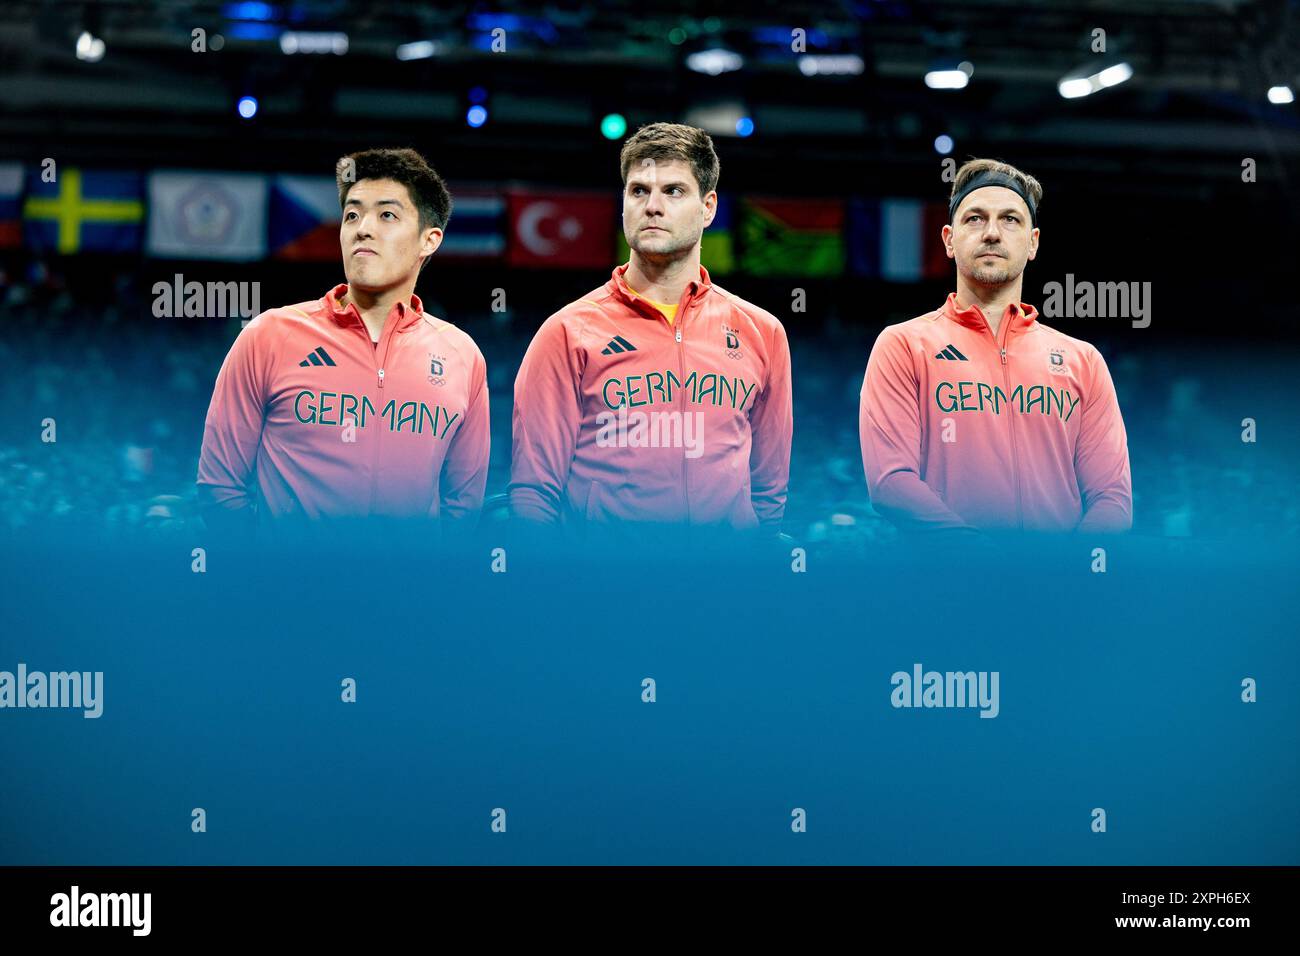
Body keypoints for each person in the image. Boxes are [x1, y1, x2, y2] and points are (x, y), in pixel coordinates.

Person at [509, 123, 793, 534]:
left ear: (708, 207)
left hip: (725, 582)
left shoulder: (762, 332)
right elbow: (534, 492)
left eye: (673, 191)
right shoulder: (567, 332)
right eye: (639, 190)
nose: (652, 206)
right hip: (609, 582)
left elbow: (769, 493)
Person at [196, 148, 489, 535]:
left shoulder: (463, 356)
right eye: (352, 214)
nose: (362, 228)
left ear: (429, 240)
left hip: (410, 593)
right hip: (289, 592)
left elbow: (463, 507)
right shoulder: (267, 336)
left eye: (387, 215)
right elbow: (220, 487)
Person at [859, 158, 1131, 534]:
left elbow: (1112, 498)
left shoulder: (1083, 361)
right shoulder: (903, 345)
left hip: (1057, 585)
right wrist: (981, 558)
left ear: (1032, 242)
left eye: (1010, 219)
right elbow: (891, 482)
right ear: (949, 240)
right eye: (974, 218)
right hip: (946, 585)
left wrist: (1069, 567)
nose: (991, 233)